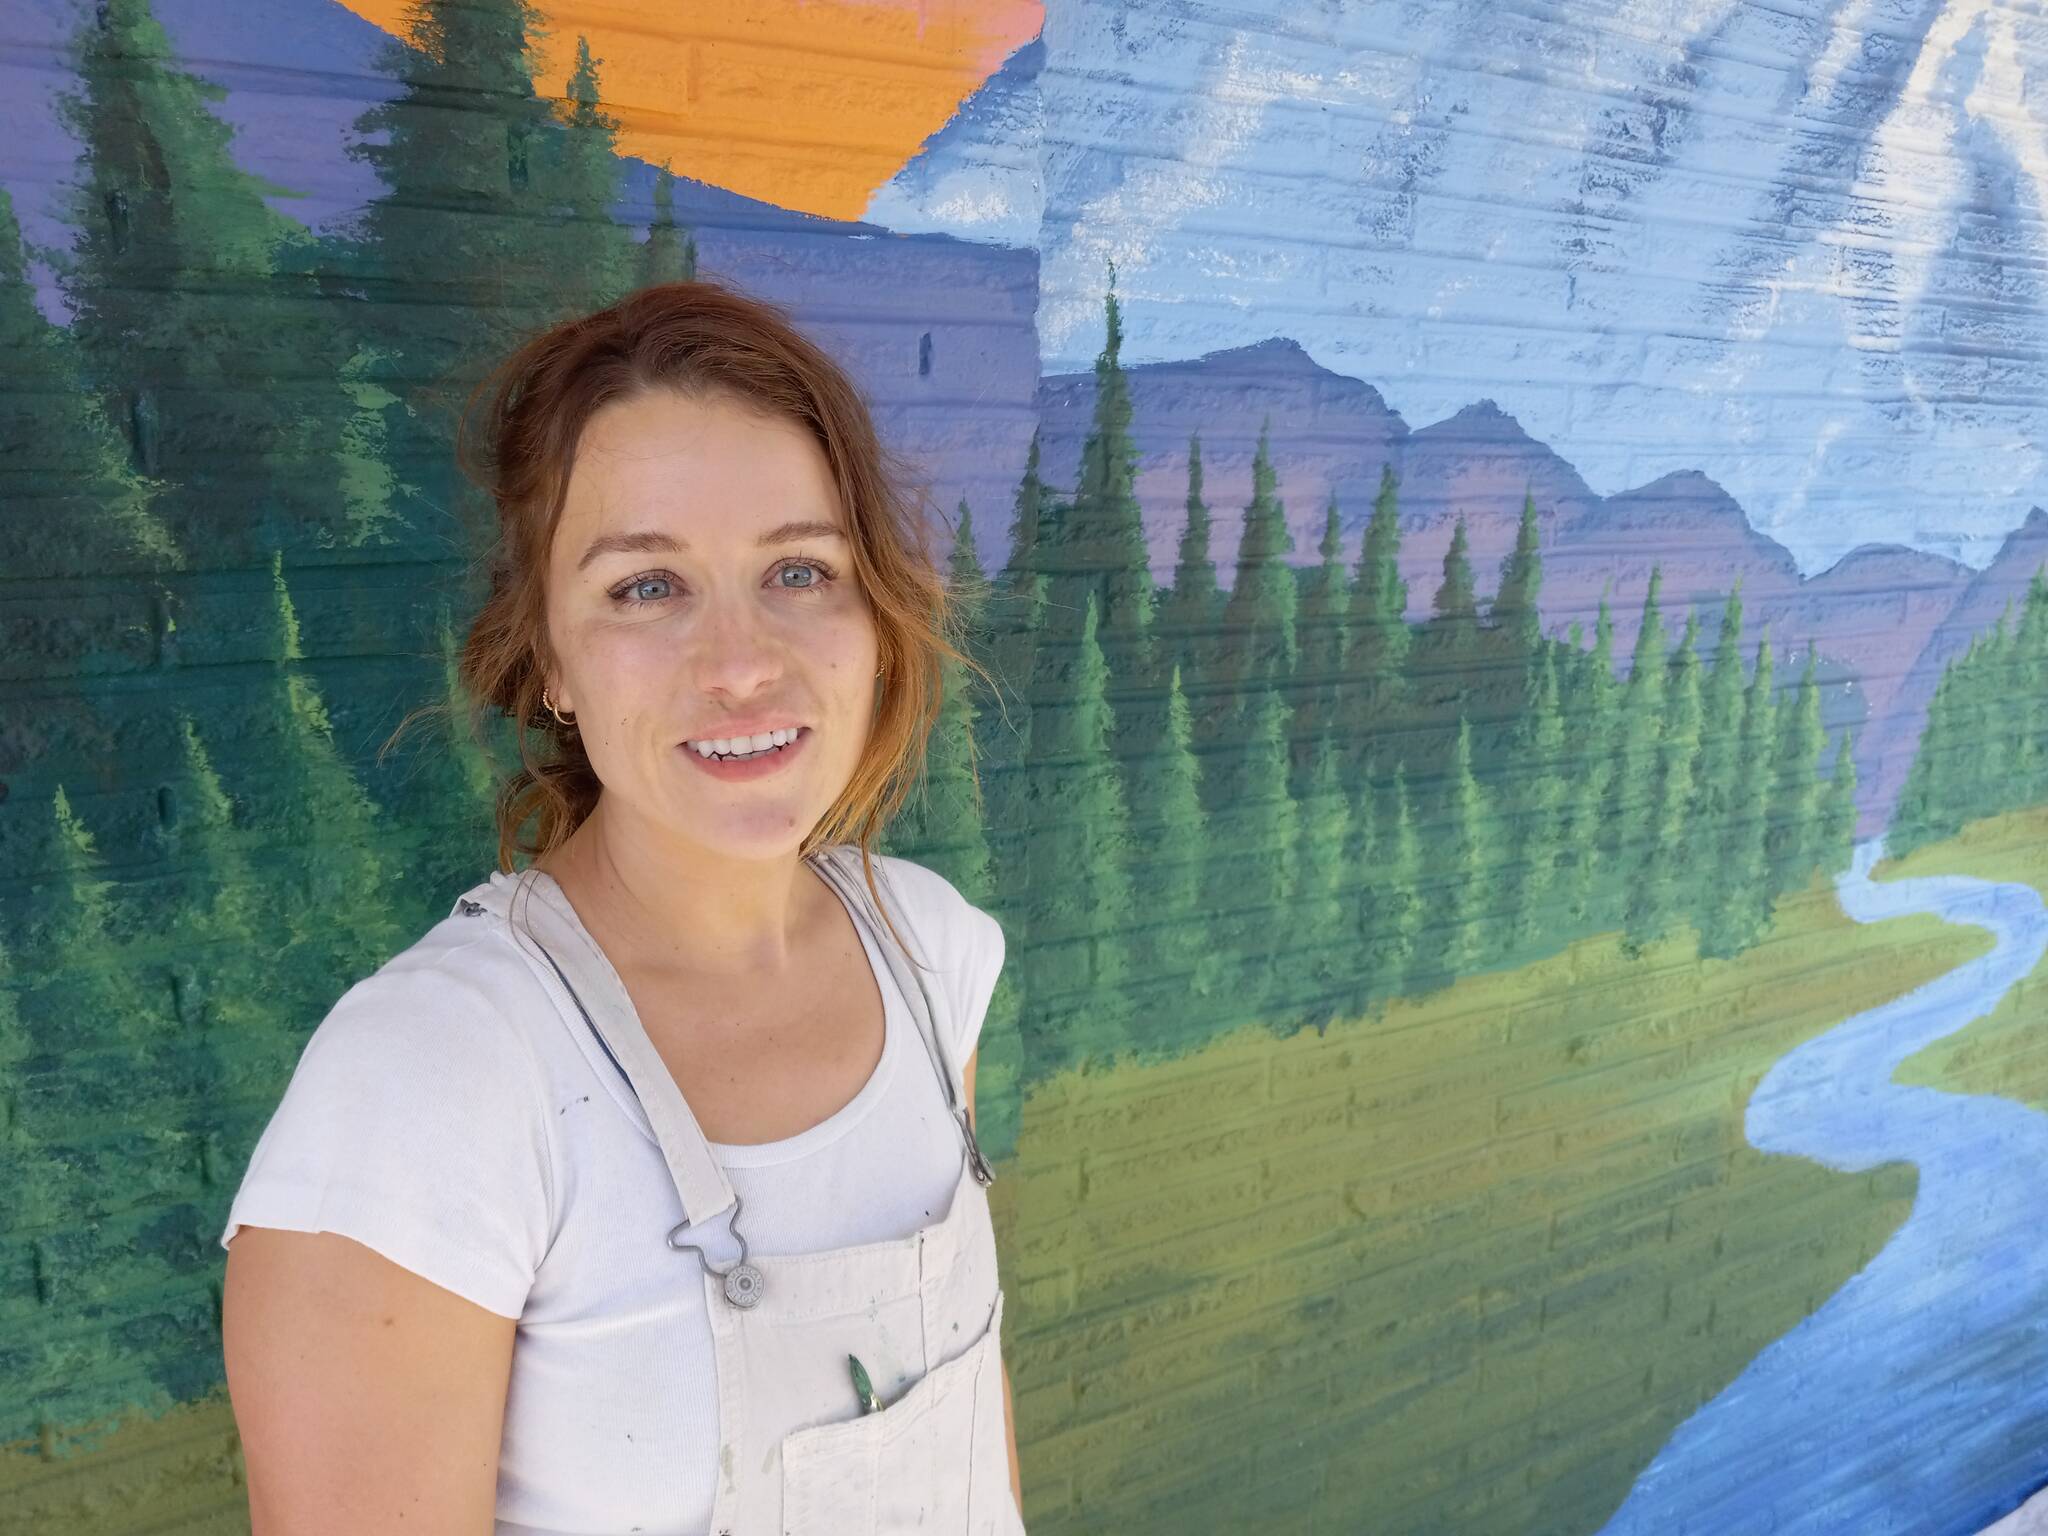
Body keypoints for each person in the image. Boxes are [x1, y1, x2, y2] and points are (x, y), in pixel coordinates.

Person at [217, 278, 1025, 1535]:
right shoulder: (432, 1081)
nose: (744, 661)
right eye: (646, 587)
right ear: (548, 658)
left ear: (876, 616)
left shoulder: (929, 954)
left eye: (799, 569)